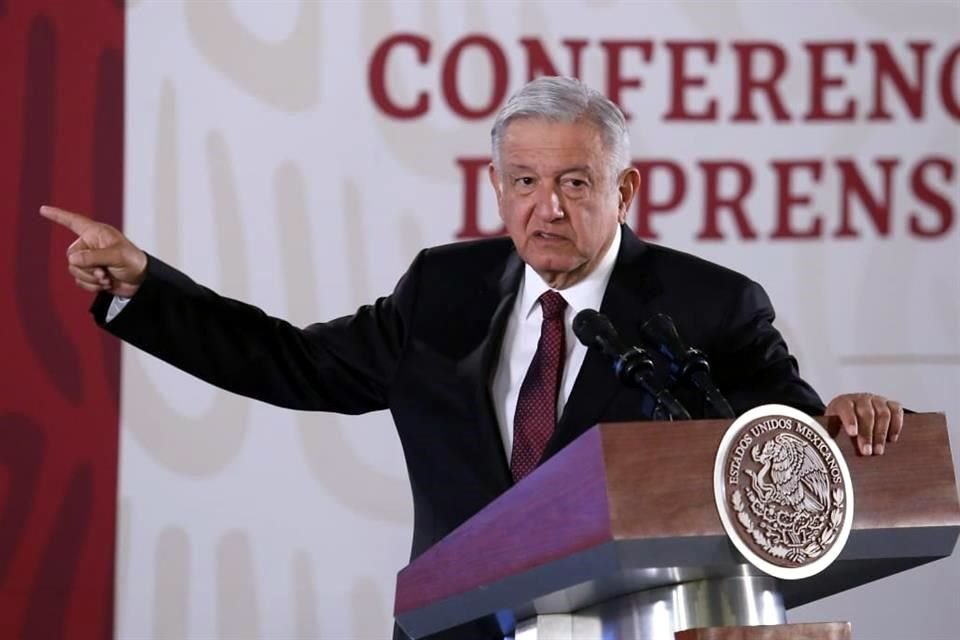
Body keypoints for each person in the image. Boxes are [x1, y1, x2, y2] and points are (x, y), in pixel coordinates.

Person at [42, 76, 903, 640]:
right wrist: (144, 284)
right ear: (497, 188)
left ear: (624, 190)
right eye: (524, 181)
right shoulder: (442, 291)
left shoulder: (710, 304)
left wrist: (844, 420)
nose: (546, 207)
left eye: (574, 182)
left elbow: (785, 443)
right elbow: (293, 362)